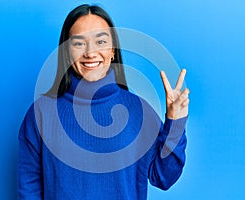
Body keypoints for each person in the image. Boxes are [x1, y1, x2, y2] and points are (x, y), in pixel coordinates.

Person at [18, 4, 190, 200]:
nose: (90, 53)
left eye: (100, 41)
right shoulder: (41, 113)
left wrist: (175, 121)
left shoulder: (139, 111)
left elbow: (163, 177)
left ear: (113, 51)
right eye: (79, 43)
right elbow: (28, 187)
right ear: (66, 53)